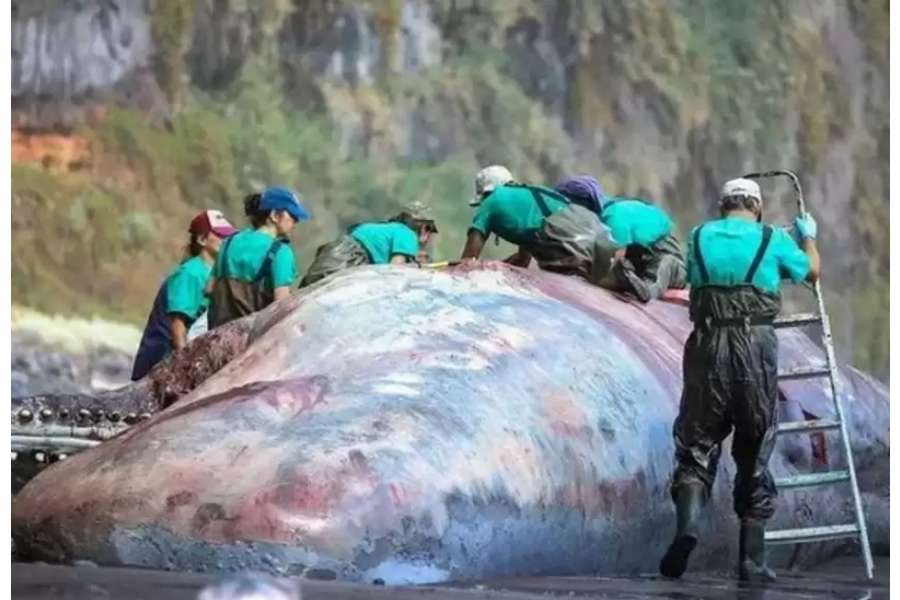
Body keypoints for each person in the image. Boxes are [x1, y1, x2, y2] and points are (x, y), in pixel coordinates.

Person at [659, 177, 820, 583]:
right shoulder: (772, 238)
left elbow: (692, 278)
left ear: (722, 206)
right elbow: (811, 272)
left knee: (696, 443)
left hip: (706, 345)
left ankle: (687, 527)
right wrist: (807, 237)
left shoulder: (699, 236)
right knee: (755, 446)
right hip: (754, 348)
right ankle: (751, 561)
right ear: (757, 208)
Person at [131, 209, 238, 380]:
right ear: (202, 240)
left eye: (229, 236)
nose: (227, 241)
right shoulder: (190, 273)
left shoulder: (213, 273)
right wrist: (185, 368)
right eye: (221, 235)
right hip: (161, 362)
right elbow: (177, 325)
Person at [461, 165, 615, 282]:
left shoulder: (491, 200)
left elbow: (468, 261)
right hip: (597, 230)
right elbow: (522, 260)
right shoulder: (531, 198)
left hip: (568, 241)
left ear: (486, 192)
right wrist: (496, 267)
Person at [555, 176, 687, 302]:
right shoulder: (605, 216)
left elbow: (616, 254)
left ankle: (646, 290)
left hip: (670, 261)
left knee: (661, 268)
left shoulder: (614, 216)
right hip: (639, 259)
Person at [207, 186, 309, 329]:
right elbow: (281, 307)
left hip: (216, 335)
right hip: (251, 338)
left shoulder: (229, 242)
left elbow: (209, 288)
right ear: (275, 215)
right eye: (293, 216)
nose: (296, 222)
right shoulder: (280, 252)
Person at [299, 201, 438, 288]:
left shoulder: (384, 228)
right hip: (348, 260)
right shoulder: (408, 234)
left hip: (334, 252)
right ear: (424, 229)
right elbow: (395, 270)